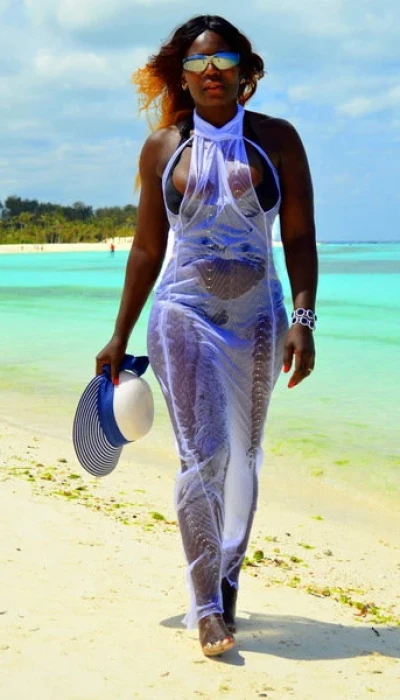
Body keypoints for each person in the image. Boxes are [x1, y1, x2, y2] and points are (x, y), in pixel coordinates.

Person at [95, 15, 318, 657]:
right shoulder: (163, 148)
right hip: (183, 313)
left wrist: (303, 320)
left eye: (223, 60)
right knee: (206, 454)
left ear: (245, 71)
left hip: (259, 317)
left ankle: (226, 580)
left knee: (245, 457)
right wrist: (119, 334)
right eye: (197, 63)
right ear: (183, 76)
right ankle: (207, 610)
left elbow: (300, 237)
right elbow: (146, 248)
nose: (211, 71)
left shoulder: (277, 139)